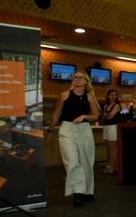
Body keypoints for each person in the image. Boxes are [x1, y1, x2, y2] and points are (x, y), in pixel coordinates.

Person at [48, 71, 100, 207]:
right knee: (72, 161)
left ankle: (88, 191)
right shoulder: (64, 95)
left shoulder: (90, 97)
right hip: (67, 129)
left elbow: (96, 116)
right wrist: (50, 130)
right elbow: (56, 113)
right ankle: (78, 192)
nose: (77, 79)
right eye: (75, 77)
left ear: (85, 81)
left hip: (84, 129)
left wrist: (84, 116)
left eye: (80, 77)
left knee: (86, 161)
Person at [100, 89, 121, 175]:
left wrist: (105, 116)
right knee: (108, 148)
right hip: (106, 127)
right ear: (108, 96)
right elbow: (103, 117)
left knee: (113, 149)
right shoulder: (106, 106)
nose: (113, 96)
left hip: (113, 127)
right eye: (111, 95)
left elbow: (110, 117)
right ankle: (109, 166)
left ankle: (113, 168)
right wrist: (105, 116)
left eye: (114, 95)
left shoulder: (116, 105)